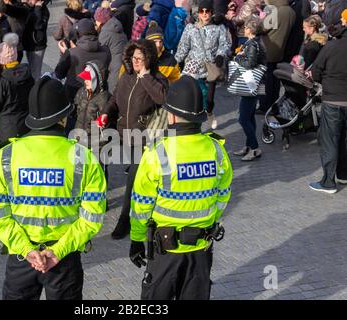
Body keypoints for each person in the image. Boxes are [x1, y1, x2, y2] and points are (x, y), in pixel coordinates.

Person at [0, 76, 107, 300]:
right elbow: (92, 218)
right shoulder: (83, 158)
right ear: (62, 118)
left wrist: (26, 250)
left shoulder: (6, 157)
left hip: (21, 260)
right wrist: (57, 252)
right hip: (65, 260)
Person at [129, 75, 232, 300]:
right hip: (201, 250)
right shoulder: (217, 150)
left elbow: (141, 205)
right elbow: (223, 196)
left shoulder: (158, 152)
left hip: (166, 252)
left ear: (172, 115)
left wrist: (137, 239)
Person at [98, 39, 169, 239]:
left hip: (145, 139)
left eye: (140, 58)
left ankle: (125, 221)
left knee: (133, 180)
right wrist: (105, 112)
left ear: (149, 59)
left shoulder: (157, 79)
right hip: (121, 134)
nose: (135, 61)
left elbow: (163, 99)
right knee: (98, 159)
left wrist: (145, 77)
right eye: (133, 58)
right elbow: (114, 99)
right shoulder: (126, 78)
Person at [175, 0, 232, 130]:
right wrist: (176, 60)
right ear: (198, 13)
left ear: (211, 13)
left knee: (209, 99)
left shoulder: (219, 28)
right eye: (202, 11)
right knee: (195, 96)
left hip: (211, 66)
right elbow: (184, 46)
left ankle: (210, 113)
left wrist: (220, 55)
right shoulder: (191, 28)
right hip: (193, 66)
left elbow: (225, 44)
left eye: (207, 11)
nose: (205, 14)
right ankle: (195, 125)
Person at [309, 9, 347, 193]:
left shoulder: (332, 46)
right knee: (345, 139)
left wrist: (323, 80)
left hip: (333, 99)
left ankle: (328, 181)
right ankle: (344, 174)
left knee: (330, 140)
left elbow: (316, 71)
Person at [55, 18, 111, 132]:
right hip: (99, 95)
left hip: (74, 95)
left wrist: (65, 53)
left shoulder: (71, 53)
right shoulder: (106, 51)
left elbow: (59, 73)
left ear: (77, 34)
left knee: (72, 125)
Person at [232, 17, 266, 161]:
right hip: (257, 83)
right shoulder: (256, 42)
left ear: (251, 30)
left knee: (243, 118)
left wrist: (237, 57)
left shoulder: (252, 44)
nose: (244, 29)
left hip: (251, 84)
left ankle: (254, 147)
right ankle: (248, 146)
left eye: (246, 27)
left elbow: (250, 63)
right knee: (250, 116)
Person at [0, 33, 34, 142]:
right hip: (26, 123)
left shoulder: (3, 80)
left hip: (7, 127)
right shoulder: (27, 74)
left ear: (1, 59)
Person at [257, 0, 296, 113]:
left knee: (264, 81)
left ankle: (264, 106)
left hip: (267, 50)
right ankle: (274, 105)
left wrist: (261, 19)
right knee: (275, 81)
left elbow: (261, 28)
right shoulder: (290, 11)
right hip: (279, 50)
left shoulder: (276, 12)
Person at [94, 6, 127, 94]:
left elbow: (98, 51)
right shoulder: (116, 26)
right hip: (123, 65)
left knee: (113, 93)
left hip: (114, 69)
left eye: (96, 20)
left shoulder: (106, 33)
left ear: (100, 21)